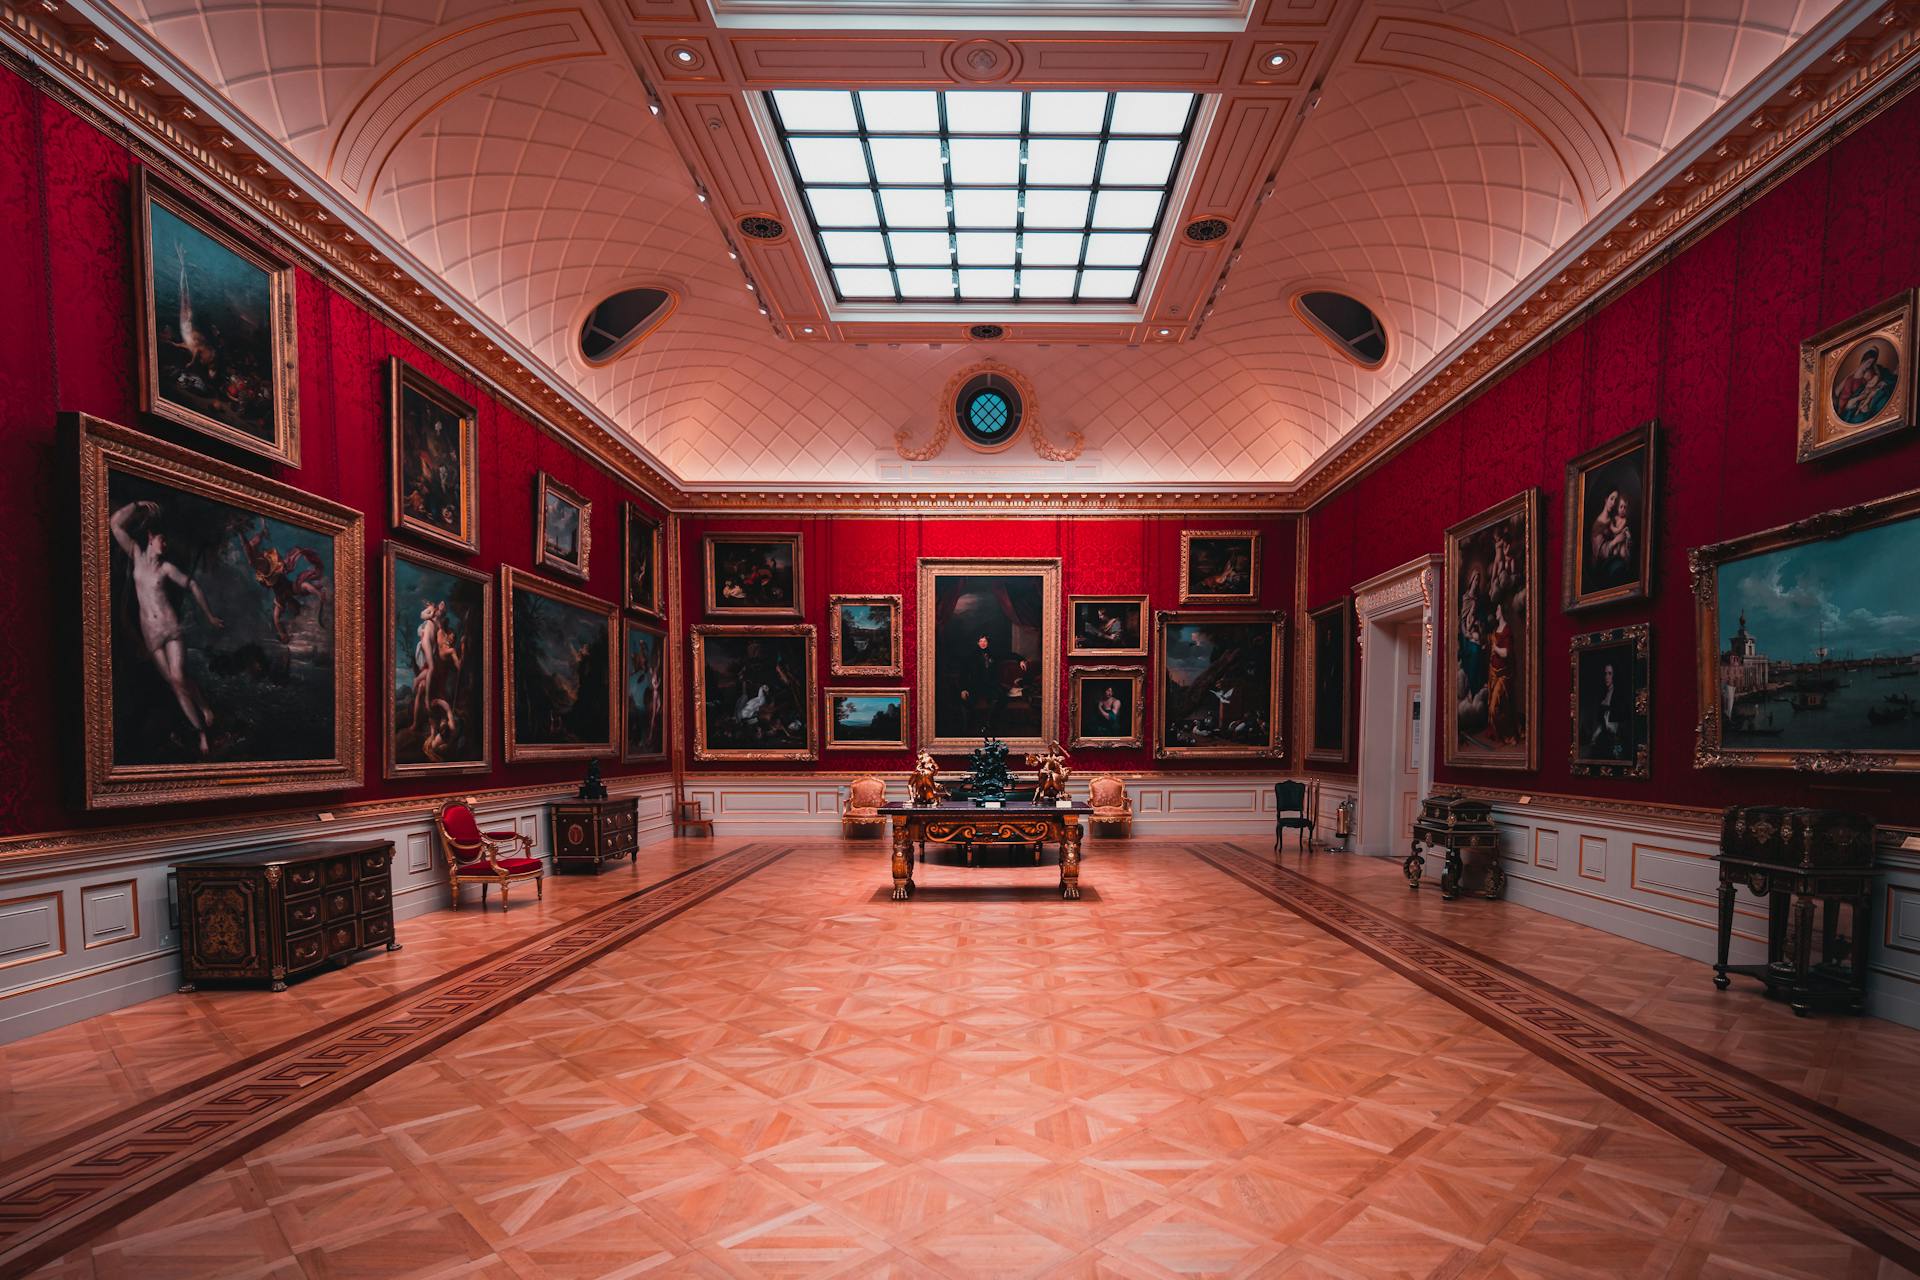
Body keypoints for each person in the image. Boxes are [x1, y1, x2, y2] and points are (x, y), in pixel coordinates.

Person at [111, 500, 224, 756]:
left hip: (171, 629)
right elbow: (115, 524)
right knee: (175, 684)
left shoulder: (167, 568)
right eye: (163, 540)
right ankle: (201, 729)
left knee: (178, 677)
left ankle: (204, 715)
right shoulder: (136, 556)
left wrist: (209, 615)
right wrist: (137, 505)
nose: (166, 545)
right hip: (151, 636)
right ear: (151, 538)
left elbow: (192, 585)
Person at [238, 520, 327, 642]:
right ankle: (256, 533)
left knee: (252, 556)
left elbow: (276, 620)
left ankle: (250, 533)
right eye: (293, 607)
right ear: (293, 605)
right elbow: (305, 586)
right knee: (252, 555)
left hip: (274, 578)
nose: (291, 607)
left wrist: (282, 634)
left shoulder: (281, 599)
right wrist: (318, 594)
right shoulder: (289, 593)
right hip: (278, 579)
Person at [958, 633, 1026, 736]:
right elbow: (963, 673)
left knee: (1001, 698)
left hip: (990, 685)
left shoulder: (993, 653)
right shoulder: (971, 656)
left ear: (988, 642)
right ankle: (971, 727)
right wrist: (963, 689)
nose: (983, 643)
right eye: (980, 641)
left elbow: (1008, 654)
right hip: (976, 685)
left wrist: (1020, 659)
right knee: (967, 701)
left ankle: (989, 723)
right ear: (977, 643)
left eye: (985, 641)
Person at [1486, 603, 1515, 744]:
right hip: (1493, 672)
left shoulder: (1506, 630)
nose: (1496, 611)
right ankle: (1497, 734)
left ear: (1502, 611)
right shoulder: (1496, 630)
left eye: (1498, 609)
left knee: (1495, 707)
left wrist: (1495, 648)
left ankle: (1507, 735)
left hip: (1503, 674)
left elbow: (1505, 653)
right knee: (1493, 706)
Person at [1588, 661, 1621, 758]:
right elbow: (1601, 724)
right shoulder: (1603, 694)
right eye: (1605, 673)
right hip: (1603, 737)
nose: (1607, 677)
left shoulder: (1618, 695)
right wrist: (1594, 737)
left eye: (1610, 673)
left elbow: (1618, 725)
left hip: (1614, 739)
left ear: (1614, 675)